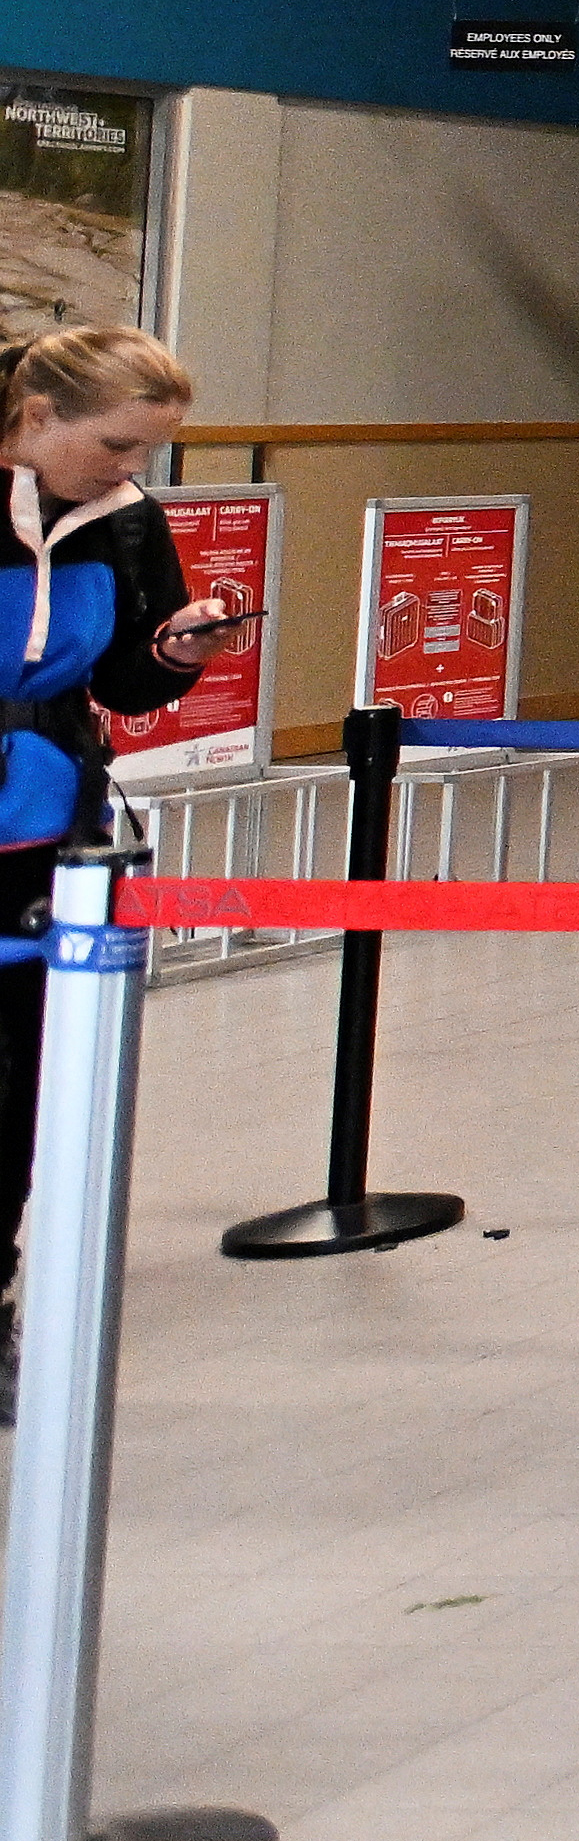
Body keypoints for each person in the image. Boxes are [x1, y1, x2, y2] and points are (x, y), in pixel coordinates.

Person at [6, 324, 246, 1421]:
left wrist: (179, 647)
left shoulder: (129, 521)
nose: (128, 470)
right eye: (112, 443)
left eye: (147, 451)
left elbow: (127, 681)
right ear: (37, 413)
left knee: (17, 1085)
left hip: (47, 828)